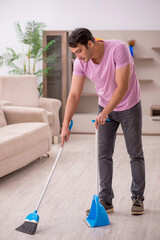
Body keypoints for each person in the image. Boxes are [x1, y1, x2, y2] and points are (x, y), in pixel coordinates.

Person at [60, 28, 145, 215]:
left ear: (90, 44)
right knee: (103, 154)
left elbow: (122, 87)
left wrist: (106, 112)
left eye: (80, 51)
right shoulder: (81, 62)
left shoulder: (118, 49)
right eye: (75, 54)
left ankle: (137, 198)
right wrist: (65, 124)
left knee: (135, 153)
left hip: (129, 105)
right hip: (105, 107)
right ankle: (105, 201)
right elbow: (74, 94)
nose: (78, 57)